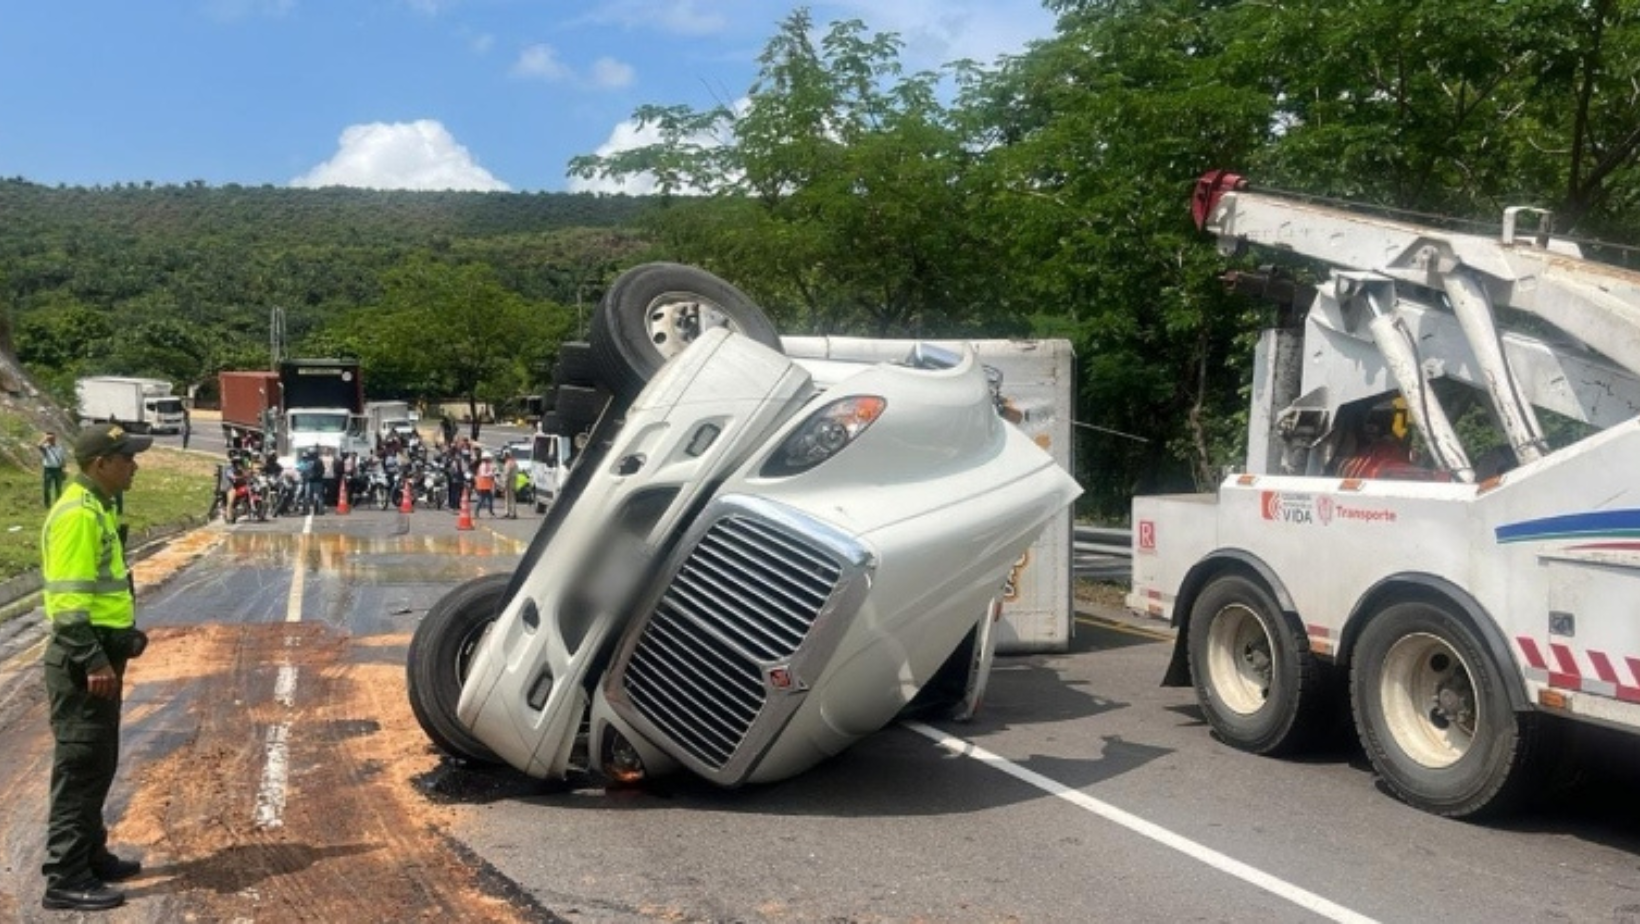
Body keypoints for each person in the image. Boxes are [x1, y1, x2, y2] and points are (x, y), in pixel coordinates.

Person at [39, 423, 152, 912]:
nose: (134, 464)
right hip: (85, 664)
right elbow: (67, 606)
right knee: (81, 767)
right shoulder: (78, 516)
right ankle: (65, 876)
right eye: (125, 457)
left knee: (98, 762)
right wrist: (93, 658)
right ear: (99, 464)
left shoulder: (98, 508)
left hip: (102, 657)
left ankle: (90, 853)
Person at [38, 431, 68, 509]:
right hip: (48, 470)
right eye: (50, 438)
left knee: (58, 488)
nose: (52, 439)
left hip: (58, 470)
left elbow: (62, 458)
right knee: (47, 488)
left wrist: (64, 468)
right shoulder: (46, 447)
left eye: (53, 437)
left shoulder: (59, 447)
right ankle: (47, 505)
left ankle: (58, 504)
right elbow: (39, 445)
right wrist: (45, 438)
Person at [473, 451, 497, 517]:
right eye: (489, 458)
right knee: (481, 499)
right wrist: (491, 473)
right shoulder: (483, 466)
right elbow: (483, 474)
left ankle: (490, 511)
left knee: (490, 498)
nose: (490, 459)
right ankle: (477, 512)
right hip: (483, 484)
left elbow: (491, 470)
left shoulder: (487, 465)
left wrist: (493, 471)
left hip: (486, 485)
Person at [501, 449, 519, 519]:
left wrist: (504, 485)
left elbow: (506, 475)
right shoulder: (514, 462)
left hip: (509, 482)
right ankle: (510, 512)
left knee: (509, 498)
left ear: (506, 456)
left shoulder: (508, 463)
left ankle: (510, 513)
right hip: (514, 481)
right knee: (512, 498)